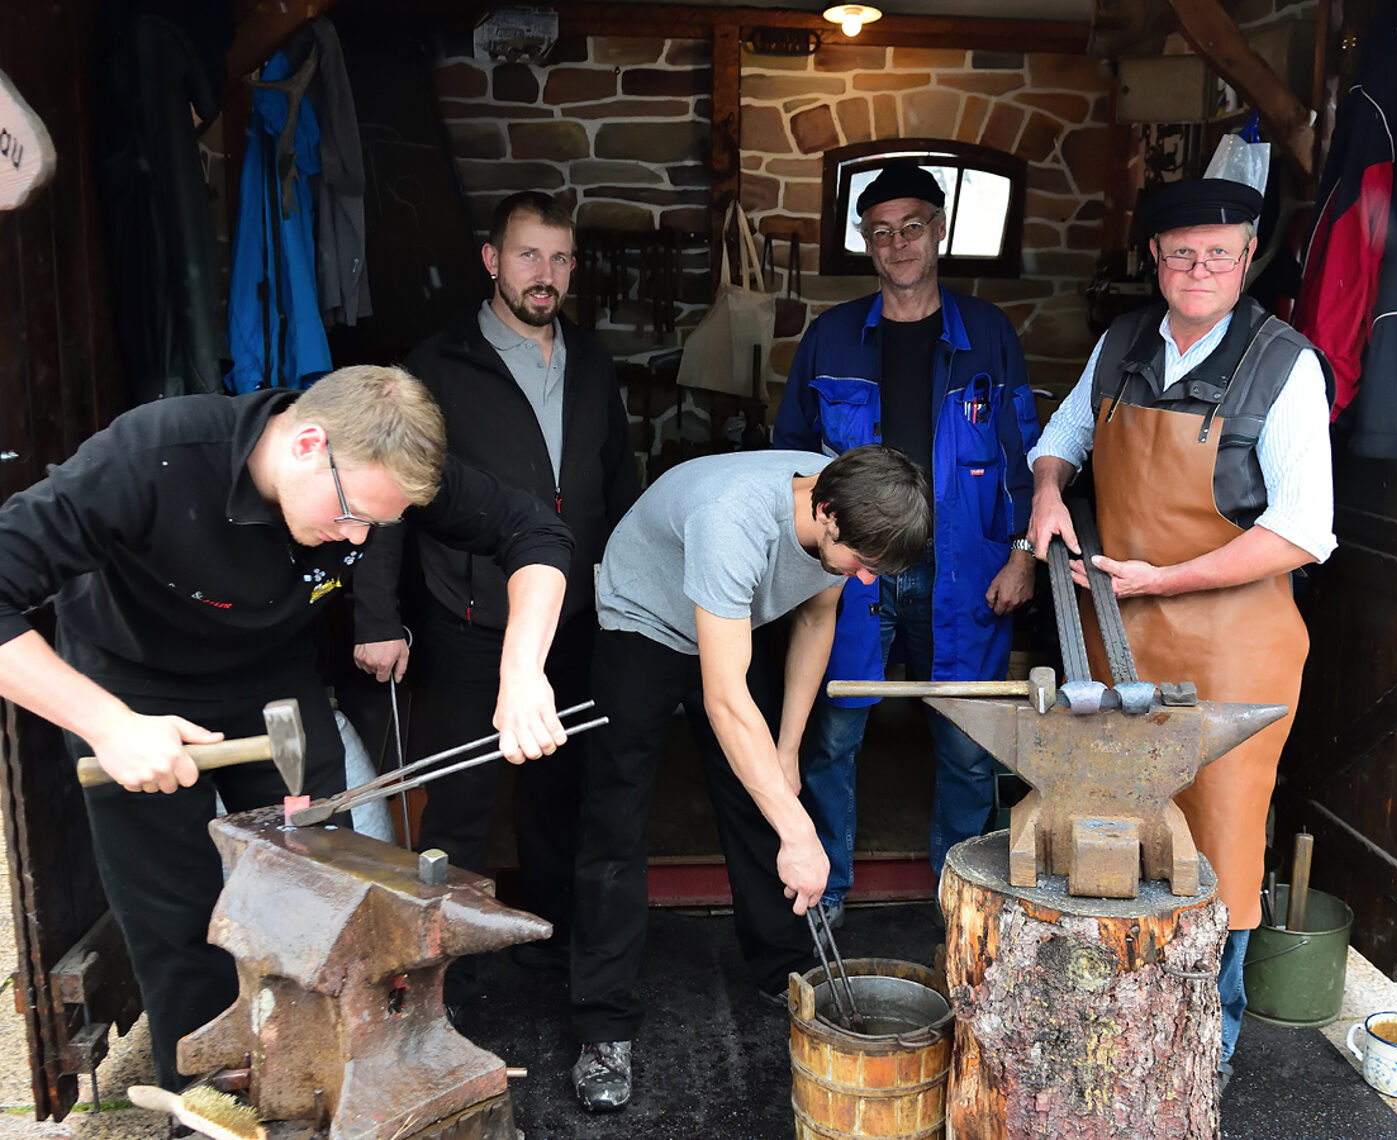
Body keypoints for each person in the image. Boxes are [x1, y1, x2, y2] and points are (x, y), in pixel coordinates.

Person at [0, 365, 573, 1091]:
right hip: (131, 685)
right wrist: (107, 723)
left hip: (275, 688)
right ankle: (211, 1105)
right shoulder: (151, 458)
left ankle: (309, 1087)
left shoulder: (379, 464)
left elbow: (537, 533)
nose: (357, 536)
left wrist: (522, 671)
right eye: (349, 514)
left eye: (376, 525)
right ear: (308, 443)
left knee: (316, 900)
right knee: (178, 925)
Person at [1025, 177, 1336, 1093]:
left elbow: (1304, 529)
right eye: (1181, 254)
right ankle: (1108, 1022)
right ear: (1155, 261)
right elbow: (1065, 433)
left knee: (1221, 842)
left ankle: (1207, 1048)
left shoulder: (1286, 365)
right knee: (1108, 824)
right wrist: (1048, 490)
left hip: (1232, 640)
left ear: (1248, 260)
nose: (1199, 270)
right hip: (1117, 624)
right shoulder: (1122, 342)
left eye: (1220, 254)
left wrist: (1169, 578)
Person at [568, 445, 932, 1113]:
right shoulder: (732, 519)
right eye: (860, 563)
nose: (865, 581)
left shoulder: (849, 502)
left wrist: (788, 749)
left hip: (731, 616)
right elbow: (725, 698)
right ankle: (602, 1025)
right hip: (643, 621)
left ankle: (779, 970)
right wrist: (800, 835)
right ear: (823, 512)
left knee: (760, 794)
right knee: (614, 818)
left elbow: (817, 618)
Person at [353, 192, 637, 956]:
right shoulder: (436, 366)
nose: (545, 275)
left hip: (572, 620)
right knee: (462, 802)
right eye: (527, 255)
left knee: (558, 797)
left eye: (559, 258)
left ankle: (547, 944)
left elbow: (616, 481)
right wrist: (376, 616)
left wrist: (623, 586)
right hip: (472, 621)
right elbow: (384, 495)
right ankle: (446, 967)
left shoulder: (592, 359)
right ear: (491, 260)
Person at [774, 160, 1042, 925]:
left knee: (965, 745)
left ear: (939, 231)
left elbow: (1024, 451)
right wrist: (806, 566)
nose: (897, 245)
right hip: (851, 573)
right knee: (832, 735)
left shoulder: (988, 333)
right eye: (881, 232)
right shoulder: (830, 339)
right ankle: (823, 893)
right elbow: (790, 458)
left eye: (912, 228)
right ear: (867, 241)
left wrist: (1023, 550)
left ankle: (962, 907)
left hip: (966, 570)